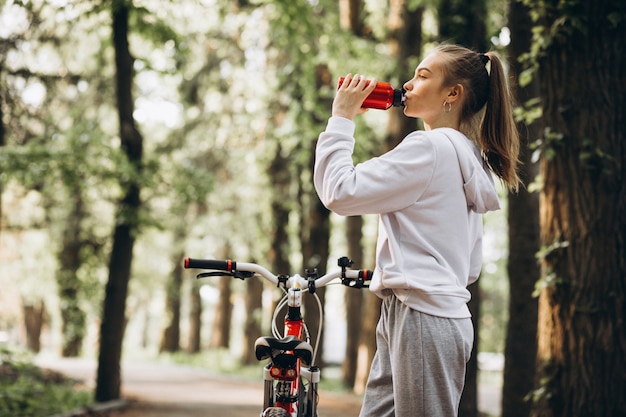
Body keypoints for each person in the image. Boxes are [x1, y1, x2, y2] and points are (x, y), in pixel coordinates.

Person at [313, 44, 520, 417]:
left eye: (423, 76)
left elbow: (339, 191)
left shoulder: (429, 148)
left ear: (452, 94)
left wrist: (342, 118)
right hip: (418, 310)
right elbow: (470, 266)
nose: (408, 84)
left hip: (423, 315)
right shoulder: (468, 157)